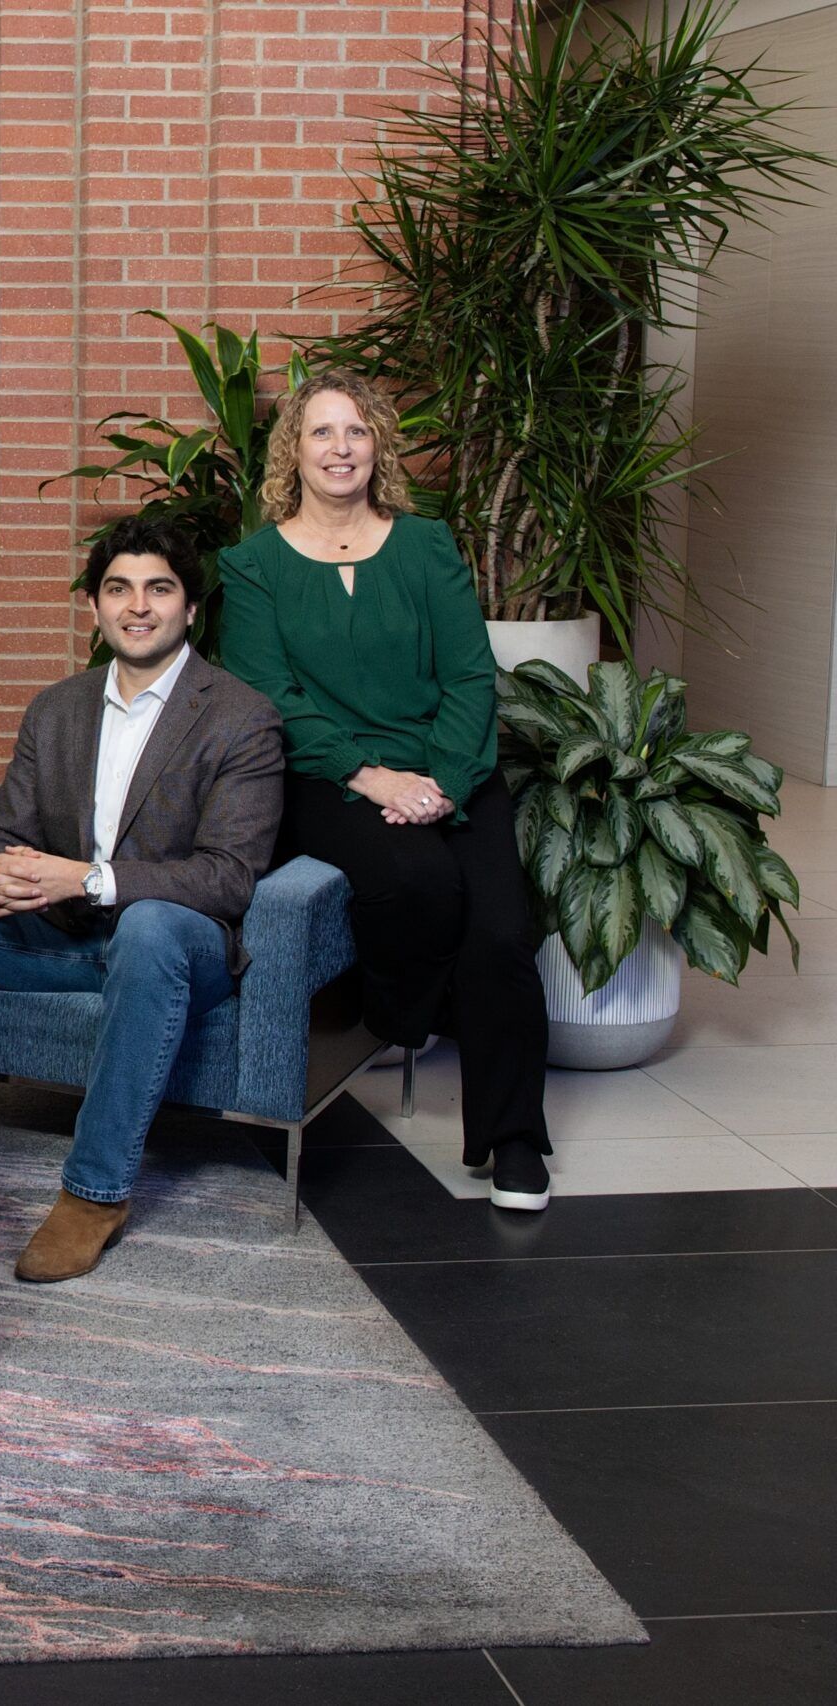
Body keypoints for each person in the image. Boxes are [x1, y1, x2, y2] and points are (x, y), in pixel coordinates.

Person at [0, 518, 286, 1278]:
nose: (139, 606)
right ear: (94, 607)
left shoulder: (240, 717)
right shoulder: (58, 708)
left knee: (150, 928)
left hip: (177, 948)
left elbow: (228, 876)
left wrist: (86, 878)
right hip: (65, 938)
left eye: (159, 589)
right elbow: (0, 832)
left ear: (191, 608)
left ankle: (95, 1194)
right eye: (118, 589)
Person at [219, 371, 552, 1211]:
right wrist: (374, 779)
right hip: (329, 777)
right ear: (293, 451)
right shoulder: (253, 567)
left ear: (379, 448)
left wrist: (442, 783)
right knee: (416, 880)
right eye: (322, 432)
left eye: (357, 431)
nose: (341, 448)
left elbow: (470, 677)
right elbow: (271, 699)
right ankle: (399, 1012)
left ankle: (514, 1139)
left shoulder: (427, 546)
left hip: (450, 769)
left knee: (502, 937)